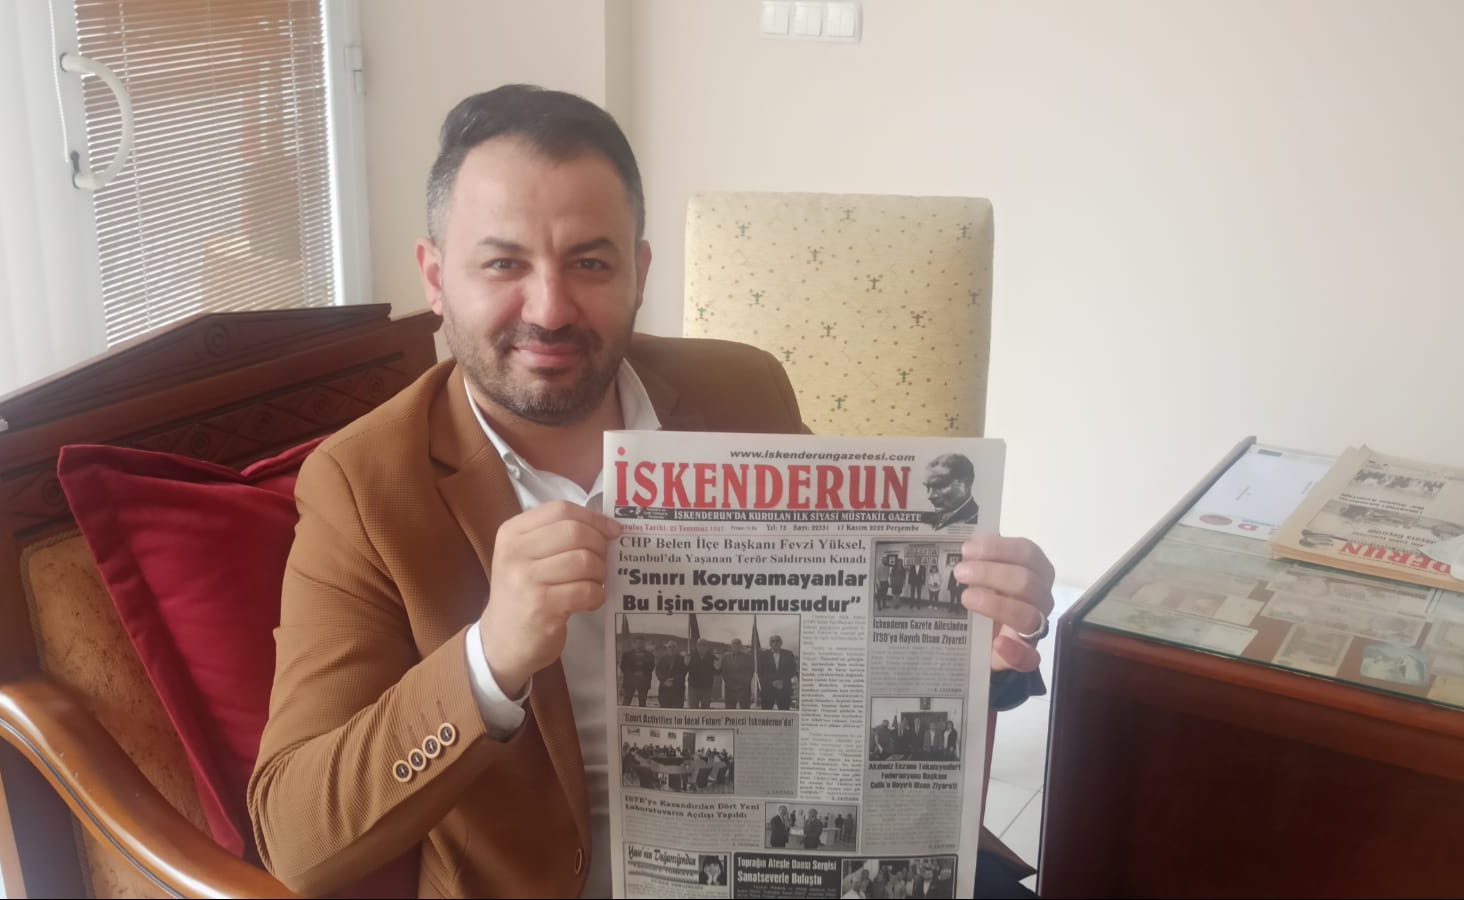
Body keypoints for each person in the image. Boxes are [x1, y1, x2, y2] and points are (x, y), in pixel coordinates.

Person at [247, 84, 1056, 898]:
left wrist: (971, 633)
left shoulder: (743, 391)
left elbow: (839, 636)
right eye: (503, 263)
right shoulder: (362, 485)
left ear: (639, 271)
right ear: (435, 277)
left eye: (590, 262)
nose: (550, 309)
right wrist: (489, 659)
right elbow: (296, 839)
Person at [922, 454, 981, 530]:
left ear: (966, 484)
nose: (930, 496)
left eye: (940, 486)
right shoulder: (933, 520)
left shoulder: (975, 520)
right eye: (927, 487)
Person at [758, 634, 799, 710]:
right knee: (767, 712)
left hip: (784, 689)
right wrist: (772, 682)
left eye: (777, 641)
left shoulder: (788, 654)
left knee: (784, 712)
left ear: (781, 643)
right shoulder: (763, 655)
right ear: (770, 644)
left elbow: (792, 670)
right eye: (773, 641)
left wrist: (782, 681)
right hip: (768, 690)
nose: (775, 643)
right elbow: (761, 672)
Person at [619, 635, 655, 706]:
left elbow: (651, 667)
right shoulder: (627, 655)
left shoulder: (650, 655)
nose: (640, 645)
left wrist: (642, 674)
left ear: (644, 644)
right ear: (634, 644)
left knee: (642, 702)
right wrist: (633, 675)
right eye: (638, 643)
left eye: (642, 643)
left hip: (643, 682)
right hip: (630, 682)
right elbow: (624, 667)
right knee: (626, 701)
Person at [720, 638, 755, 709]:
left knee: (745, 709)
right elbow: (724, 672)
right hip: (730, 688)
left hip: (744, 689)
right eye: (734, 644)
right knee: (730, 709)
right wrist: (730, 684)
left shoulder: (748, 657)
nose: (736, 645)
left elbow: (750, 672)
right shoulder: (725, 657)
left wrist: (742, 684)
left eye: (738, 644)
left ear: (741, 646)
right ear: (731, 646)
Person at [686, 638, 719, 709]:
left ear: (707, 646)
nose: (702, 646)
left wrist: (718, 668)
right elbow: (684, 670)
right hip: (693, 688)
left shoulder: (712, 657)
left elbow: (718, 672)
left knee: (705, 709)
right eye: (700, 645)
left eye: (704, 645)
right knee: (693, 709)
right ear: (696, 646)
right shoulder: (690, 656)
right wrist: (685, 664)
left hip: (707, 688)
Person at [654, 639, 687, 709]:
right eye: (670, 647)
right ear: (667, 648)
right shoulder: (662, 659)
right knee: (664, 710)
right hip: (664, 690)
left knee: (676, 711)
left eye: (673, 647)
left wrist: (673, 680)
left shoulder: (682, 659)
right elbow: (658, 671)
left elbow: (683, 672)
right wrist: (664, 681)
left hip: (678, 691)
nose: (671, 648)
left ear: (677, 648)